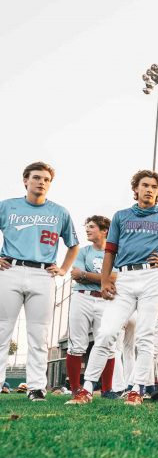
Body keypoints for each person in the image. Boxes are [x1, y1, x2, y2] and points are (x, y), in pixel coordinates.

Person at [66, 169, 158, 406]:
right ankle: (85, 389)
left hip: (151, 277)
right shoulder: (121, 216)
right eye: (145, 185)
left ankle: (136, 389)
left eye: (154, 187)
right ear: (136, 189)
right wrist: (105, 280)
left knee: (145, 335)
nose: (149, 190)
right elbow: (110, 250)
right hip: (124, 278)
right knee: (106, 332)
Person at [0, 161, 79, 402]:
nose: (41, 182)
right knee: (3, 329)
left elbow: (73, 244)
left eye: (46, 179)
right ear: (26, 180)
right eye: (36, 177)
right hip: (10, 270)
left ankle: (36, 387)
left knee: (39, 333)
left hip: (43, 274)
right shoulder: (7, 206)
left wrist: (64, 268)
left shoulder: (59, 212)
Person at [65, 215, 118, 396]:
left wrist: (86, 275)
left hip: (105, 299)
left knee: (107, 342)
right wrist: (102, 278)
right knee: (77, 344)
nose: (87, 229)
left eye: (92, 226)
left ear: (104, 231)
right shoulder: (84, 251)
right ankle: (75, 389)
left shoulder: (114, 253)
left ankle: (107, 389)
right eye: (87, 226)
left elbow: (115, 278)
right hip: (82, 297)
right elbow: (75, 274)